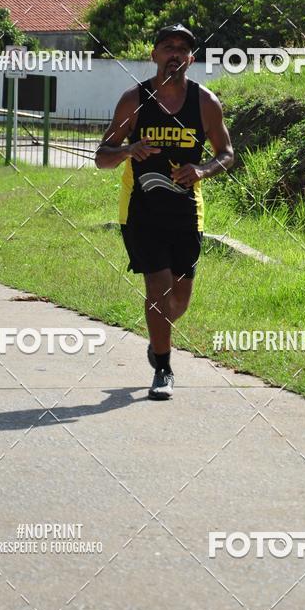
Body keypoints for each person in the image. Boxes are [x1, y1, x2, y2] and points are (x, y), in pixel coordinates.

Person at [95, 23, 234, 400]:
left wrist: (202, 169)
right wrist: (128, 150)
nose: (174, 53)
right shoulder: (133, 101)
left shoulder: (205, 102)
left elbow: (227, 153)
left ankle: (157, 337)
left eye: (182, 48)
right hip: (141, 211)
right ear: (154, 54)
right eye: (167, 46)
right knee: (156, 289)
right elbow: (101, 157)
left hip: (186, 212)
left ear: (190, 59)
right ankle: (164, 366)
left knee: (178, 302)